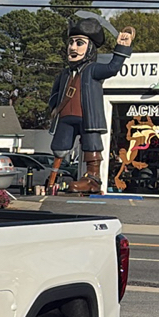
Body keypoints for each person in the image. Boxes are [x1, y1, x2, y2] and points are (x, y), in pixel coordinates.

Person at [45, 17, 134, 194]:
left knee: (91, 143)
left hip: (88, 116)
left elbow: (112, 68)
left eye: (79, 43)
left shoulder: (92, 70)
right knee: (59, 147)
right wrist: (53, 107)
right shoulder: (64, 73)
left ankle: (93, 179)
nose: (73, 47)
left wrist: (122, 47)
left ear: (90, 48)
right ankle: (52, 179)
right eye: (71, 43)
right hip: (65, 118)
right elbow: (55, 94)